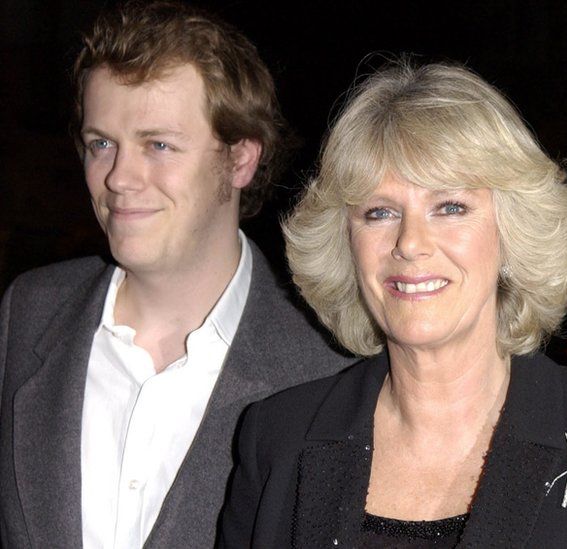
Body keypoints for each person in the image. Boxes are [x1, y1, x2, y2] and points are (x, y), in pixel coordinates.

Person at [219, 61, 567, 548]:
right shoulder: (278, 439)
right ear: (345, 243)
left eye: (450, 208)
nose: (411, 243)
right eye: (380, 212)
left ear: (510, 232)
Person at [0, 2, 350, 547]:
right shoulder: (28, 312)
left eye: (158, 145)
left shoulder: (327, 365)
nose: (119, 178)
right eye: (102, 144)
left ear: (240, 160)